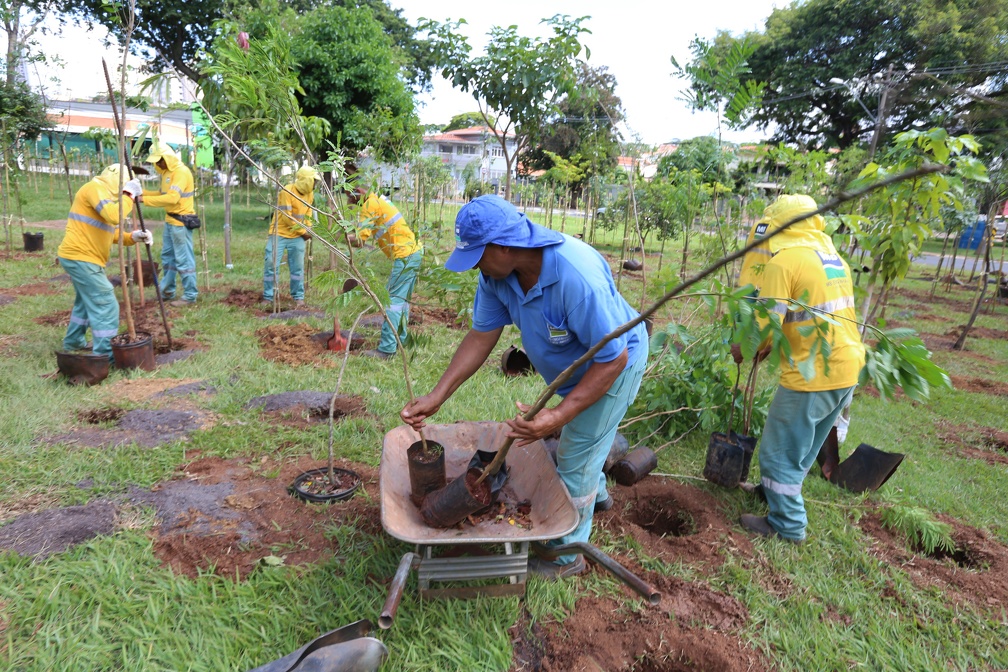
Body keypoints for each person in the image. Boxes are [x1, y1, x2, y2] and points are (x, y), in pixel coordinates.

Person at [400, 195, 648, 578]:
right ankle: (595, 496)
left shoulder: (574, 277)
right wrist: (437, 395)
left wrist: (560, 415)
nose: (476, 267)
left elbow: (612, 358)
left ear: (504, 246)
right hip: (577, 370)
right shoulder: (496, 277)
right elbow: (482, 336)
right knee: (585, 440)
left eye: (479, 256)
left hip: (615, 365)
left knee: (575, 455)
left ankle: (565, 557)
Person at [733, 194, 866, 544]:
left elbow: (764, 326)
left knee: (778, 451)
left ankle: (787, 525)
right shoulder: (831, 257)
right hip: (847, 367)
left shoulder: (784, 261)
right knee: (803, 448)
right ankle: (772, 491)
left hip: (813, 373)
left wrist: (746, 347)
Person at [56, 164, 152, 361]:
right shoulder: (94, 189)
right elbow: (112, 215)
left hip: (82, 257)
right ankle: (105, 355)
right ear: (117, 180)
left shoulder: (103, 195)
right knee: (106, 302)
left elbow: (109, 231)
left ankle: (73, 342)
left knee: (85, 301)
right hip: (80, 257)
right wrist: (128, 195)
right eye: (124, 184)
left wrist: (133, 236)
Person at [346, 186, 423, 359]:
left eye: (349, 195)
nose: (348, 200)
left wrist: (337, 236)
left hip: (405, 255)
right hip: (415, 251)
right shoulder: (377, 199)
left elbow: (359, 240)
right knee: (402, 301)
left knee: (392, 301)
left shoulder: (369, 205)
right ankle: (400, 340)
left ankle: (387, 349)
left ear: (358, 191)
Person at [143, 142, 198, 306]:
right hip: (170, 220)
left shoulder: (181, 172)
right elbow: (161, 194)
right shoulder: (167, 173)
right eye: (156, 161)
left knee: (183, 260)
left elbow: (172, 198)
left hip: (181, 222)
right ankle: (167, 291)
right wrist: (140, 193)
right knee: (168, 258)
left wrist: (143, 199)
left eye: (160, 160)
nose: (158, 164)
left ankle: (190, 295)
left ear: (168, 157)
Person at [263, 166, 320, 306]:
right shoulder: (286, 192)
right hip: (279, 233)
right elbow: (287, 218)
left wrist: (309, 229)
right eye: (313, 181)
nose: (315, 184)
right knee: (271, 262)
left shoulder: (310, 195)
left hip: (298, 236)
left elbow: (307, 215)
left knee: (297, 267)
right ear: (306, 180)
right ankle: (268, 296)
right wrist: (303, 232)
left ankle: (298, 296)